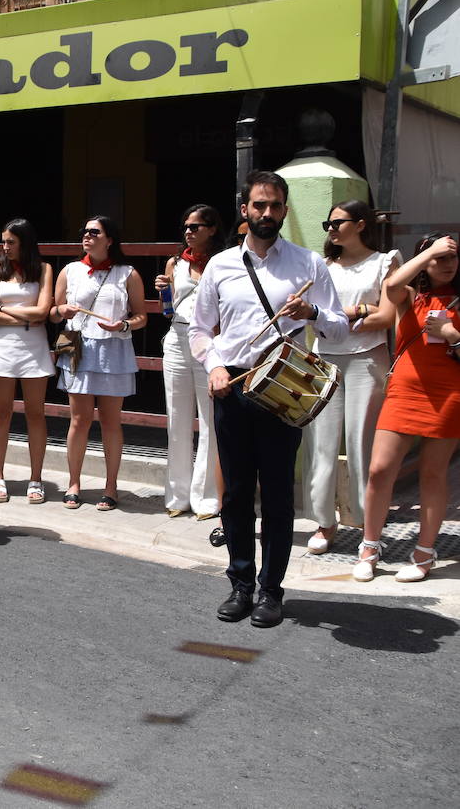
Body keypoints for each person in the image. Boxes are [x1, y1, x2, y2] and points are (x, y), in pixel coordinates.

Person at [190, 170, 346, 628]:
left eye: (276, 206)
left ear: (284, 210)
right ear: (244, 210)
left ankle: (271, 592)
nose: (267, 214)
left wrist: (312, 311)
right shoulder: (219, 265)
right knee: (237, 492)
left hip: (283, 388)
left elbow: (338, 327)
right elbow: (199, 330)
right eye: (259, 205)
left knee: (277, 495)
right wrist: (214, 366)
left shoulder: (307, 263)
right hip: (233, 387)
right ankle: (240, 583)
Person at [352, 232, 460, 583]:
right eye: (439, 258)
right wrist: (428, 252)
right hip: (404, 392)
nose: (446, 264)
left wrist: (451, 333)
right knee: (380, 470)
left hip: (448, 394)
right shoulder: (410, 296)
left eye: (452, 257)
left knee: (433, 473)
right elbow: (392, 284)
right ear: (424, 261)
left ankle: (424, 553)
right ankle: (369, 547)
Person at [302, 201, 396, 554]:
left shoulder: (383, 262)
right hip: (324, 360)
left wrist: (344, 315)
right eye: (327, 222)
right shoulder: (323, 266)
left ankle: (368, 528)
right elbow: (312, 317)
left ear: (360, 224)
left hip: (367, 360)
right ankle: (325, 523)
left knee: (362, 445)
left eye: (337, 222)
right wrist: (358, 314)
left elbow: (387, 317)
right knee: (321, 445)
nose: (330, 228)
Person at [52, 216, 146, 512]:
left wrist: (123, 326)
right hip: (75, 344)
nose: (87, 236)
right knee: (78, 420)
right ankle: (74, 483)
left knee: (110, 421)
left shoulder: (127, 273)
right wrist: (61, 310)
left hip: (114, 348)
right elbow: (54, 313)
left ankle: (110, 486)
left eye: (95, 232)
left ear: (109, 239)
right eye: (85, 231)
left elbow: (142, 317)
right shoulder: (69, 270)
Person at [154, 204, 225, 521]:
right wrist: (163, 292)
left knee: (211, 422)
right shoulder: (175, 263)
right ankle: (178, 495)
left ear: (211, 229)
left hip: (210, 340)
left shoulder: (223, 263)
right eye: (185, 226)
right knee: (177, 420)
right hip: (178, 338)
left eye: (195, 226)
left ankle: (207, 497)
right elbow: (168, 310)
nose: (188, 231)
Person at [0, 218, 55, 504]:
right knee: (1, 413)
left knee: (36, 413)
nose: (6, 246)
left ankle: (36, 478)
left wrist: (7, 311)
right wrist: (23, 313)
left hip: (33, 345)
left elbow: (43, 312)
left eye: (11, 241)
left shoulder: (44, 269)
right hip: (2, 345)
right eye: (4, 241)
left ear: (25, 241)